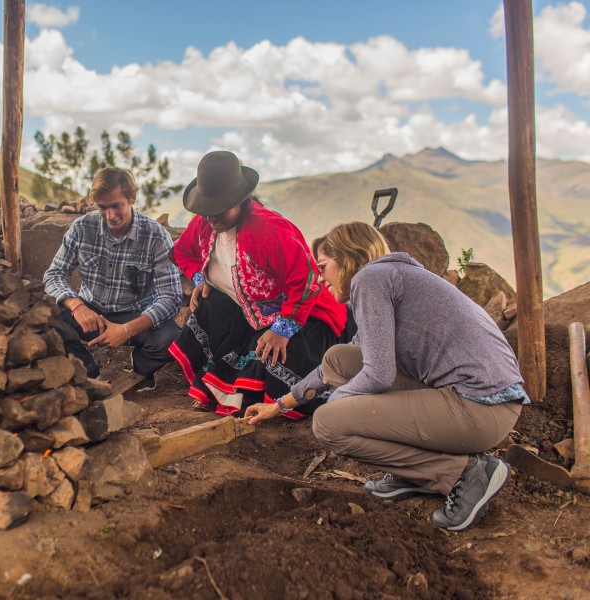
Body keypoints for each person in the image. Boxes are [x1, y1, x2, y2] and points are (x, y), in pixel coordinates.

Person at [245, 221, 529, 531]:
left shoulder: (371, 278)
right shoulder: (391, 277)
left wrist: (338, 404)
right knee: (340, 358)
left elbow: (378, 375)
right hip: (480, 403)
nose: (320, 276)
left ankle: (463, 473)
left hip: (479, 409)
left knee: (328, 424)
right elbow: (337, 365)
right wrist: (280, 404)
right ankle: (414, 475)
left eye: (324, 266)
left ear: (347, 258)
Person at [170, 150, 351, 418]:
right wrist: (200, 277)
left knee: (280, 353)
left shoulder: (268, 231)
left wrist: (283, 330)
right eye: (206, 209)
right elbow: (182, 251)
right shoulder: (204, 224)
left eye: (220, 208)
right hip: (254, 312)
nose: (212, 218)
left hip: (308, 315)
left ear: (240, 200)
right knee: (212, 304)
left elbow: (308, 281)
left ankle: (267, 398)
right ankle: (224, 386)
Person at [43, 167, 183, 391]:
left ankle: (140, 370)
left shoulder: (155, 236)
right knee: (46, 318)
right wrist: (77, 305)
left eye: (117, 206)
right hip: (90, 311)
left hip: (137, 313)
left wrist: (126, 330)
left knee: (173, 339)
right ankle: (90, 375)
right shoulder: (81, 228)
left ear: (132, 198)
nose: (110, 216)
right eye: (102, 208)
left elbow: (171, 297)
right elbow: (54, 274)